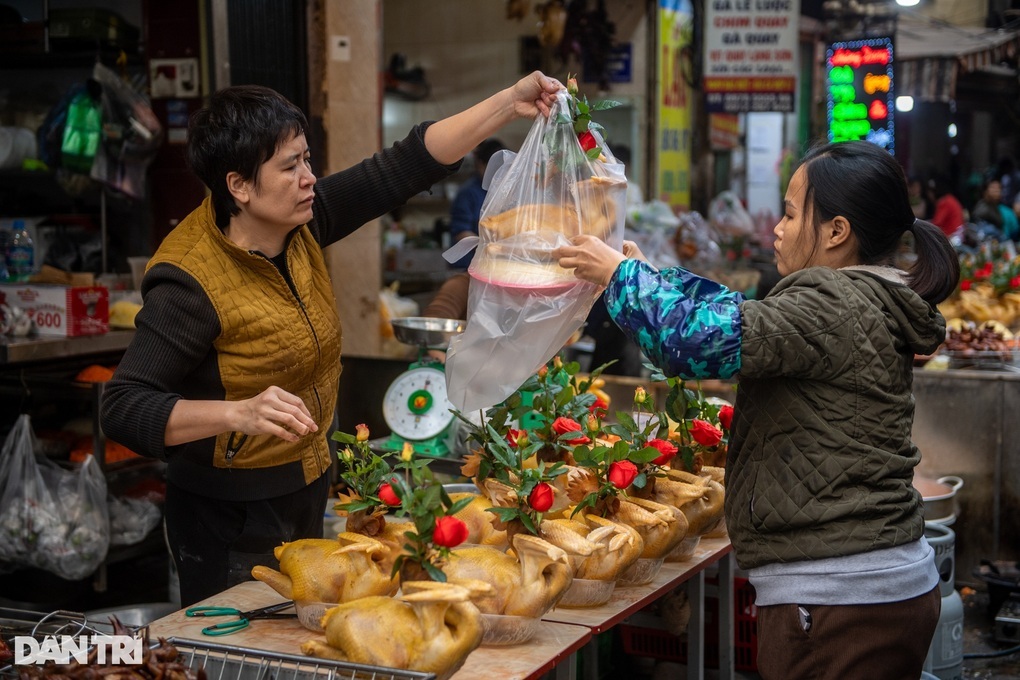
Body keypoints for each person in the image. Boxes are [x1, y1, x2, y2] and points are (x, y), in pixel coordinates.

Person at [99, 72, 563, 607]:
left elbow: (402, 166)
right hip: (226, 518)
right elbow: (124, 405)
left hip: (307, 487)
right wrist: (237, 414)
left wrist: (508, 101)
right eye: (290, 166)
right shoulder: (188, 282)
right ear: (239, 187)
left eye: (307, 160)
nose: (309, 179)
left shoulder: (300, 224)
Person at [554, 140, 958, 680]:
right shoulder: (857, 298)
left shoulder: (832, 302)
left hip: (840, 597)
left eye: (792, 214)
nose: (779, 228)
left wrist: (619, 279)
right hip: (869, 586)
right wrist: (652, 277)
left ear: (837, 232)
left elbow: (694, 343)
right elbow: (742, 316)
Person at [447, 137, 507, 268]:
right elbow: (461, 232)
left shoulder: (504, 192)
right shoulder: (468, 193)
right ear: (480, 164)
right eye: (492, 168)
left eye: (501, 169)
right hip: (467, 266)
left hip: (496, 265)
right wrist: (487, 249)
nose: (496, 174)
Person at [929, 175, 965, 239]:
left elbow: (936, 224)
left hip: (952, 237)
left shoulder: (944, 202)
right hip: (958, 235)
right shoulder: (950, 198)